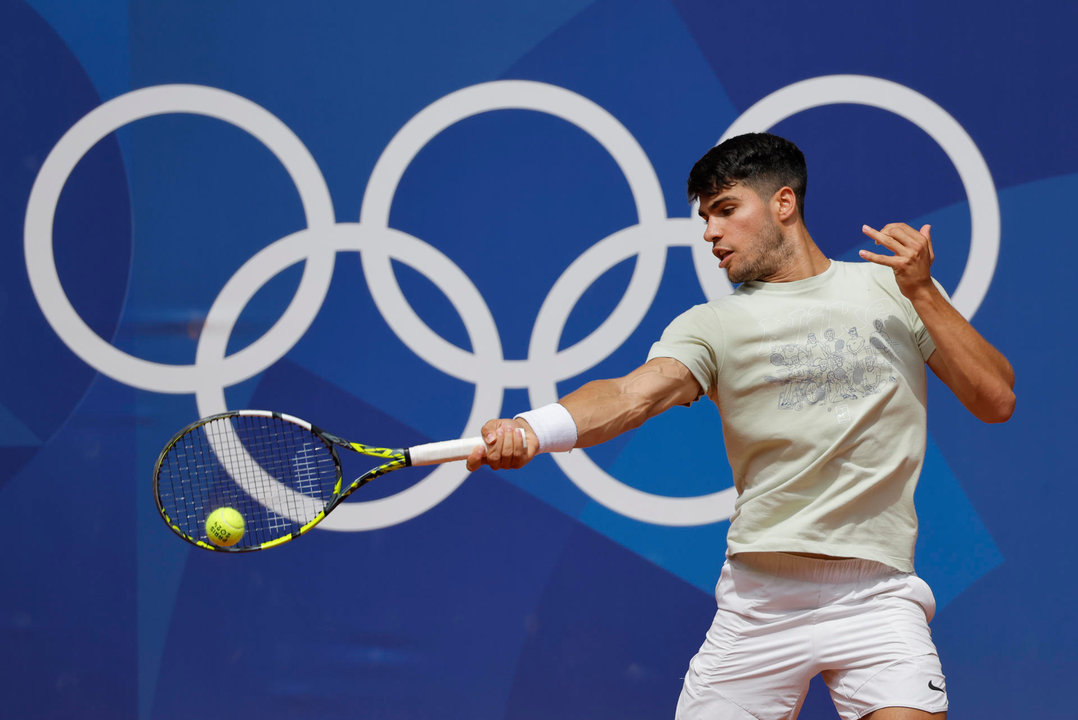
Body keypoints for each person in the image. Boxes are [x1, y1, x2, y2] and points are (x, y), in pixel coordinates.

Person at [466, 133, 1015, 719]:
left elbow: (996, 398)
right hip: (760, 605)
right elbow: (631, 395)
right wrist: (532, 428)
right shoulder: (712, 325)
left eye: (726, 211)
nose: (710, 233)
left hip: (875, 597)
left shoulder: (894, 290)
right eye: (705, 218)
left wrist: (924, 291)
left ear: (784, 204)